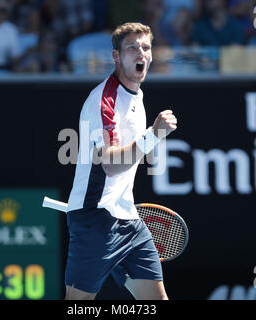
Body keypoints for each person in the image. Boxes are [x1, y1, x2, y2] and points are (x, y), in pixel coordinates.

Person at [65, 22, 177, 300]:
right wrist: (154, 135)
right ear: (116, 56)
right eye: (132, 47)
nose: (141, 53)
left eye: (146, 47)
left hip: (129, 220)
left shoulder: (137, 95)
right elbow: (111, 165)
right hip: (95, 218)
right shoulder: (104, 100)